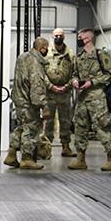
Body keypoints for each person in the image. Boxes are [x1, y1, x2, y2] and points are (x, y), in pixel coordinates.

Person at [68, 28, 111, 171]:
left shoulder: (101, 55)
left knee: (102, 127)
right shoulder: (79, 57)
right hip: (82, 97)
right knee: (80, 127)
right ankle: (80, 159)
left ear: (88, 38)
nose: (78, 38)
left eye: (80, 36)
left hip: (97, 97)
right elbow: (74, 73)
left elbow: (109, 74)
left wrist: (93, 82)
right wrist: (75, 81)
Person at [4, 38, 51, 170]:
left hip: (19, 100)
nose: (47, 50)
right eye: (46, 47)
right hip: (29, 102)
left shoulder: (23, 57)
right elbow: (37, 86)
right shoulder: (36, 62)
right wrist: (44, 105)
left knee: (20, 127)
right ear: (41, 47)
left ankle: (11, 155)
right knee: (30, 129)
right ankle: (27, 159)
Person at [44, 28, 77, 157]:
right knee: (48, 122)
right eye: (56, 35)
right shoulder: (46, 53)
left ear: (64, 37)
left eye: (60, 35)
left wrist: (67, 86)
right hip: (50, 93)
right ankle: (46, 148)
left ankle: (66, 147)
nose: (58, 37)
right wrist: (51, 86)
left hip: (65, 93)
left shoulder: (70, 54)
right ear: (52, 37)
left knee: (65, 121)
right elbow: (42, 73)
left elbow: (75, 73)